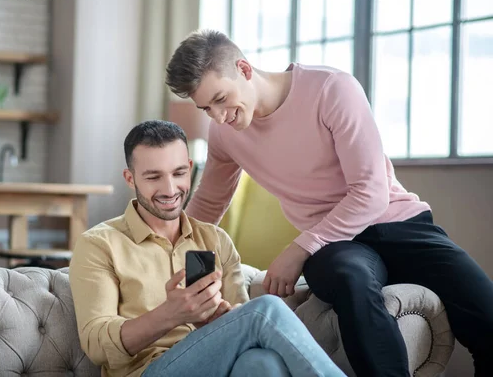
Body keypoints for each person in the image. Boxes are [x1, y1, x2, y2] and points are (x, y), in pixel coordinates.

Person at [164, 29, 493, 377]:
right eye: (206, 108)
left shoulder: (331, 88)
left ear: (244, 69)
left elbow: (370, 192)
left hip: (399, 225)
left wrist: (297, 249)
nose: (218, 116)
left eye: (221, 98)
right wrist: (173, 259)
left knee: (487, 319)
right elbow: (209, 204)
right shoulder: (224, 134)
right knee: (350, 279)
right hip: (337, 246)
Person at [69, 120, 345, 377]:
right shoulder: (99, 244)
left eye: (178, 173)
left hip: (215, 364)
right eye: (153, 177)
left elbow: (243, 329)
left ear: (189, 168)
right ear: (130, 179)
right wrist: (170, 315)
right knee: (265, 311)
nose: (169, 189)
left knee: (261, 363)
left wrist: (217, 320)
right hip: (146, 371)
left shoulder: (215, 240)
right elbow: (96, 345)